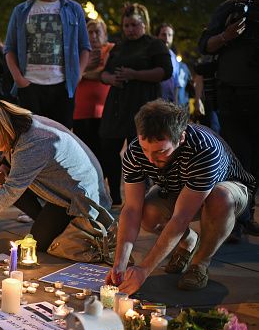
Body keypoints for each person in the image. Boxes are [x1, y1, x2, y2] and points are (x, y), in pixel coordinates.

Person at [107, 99, 256, 293]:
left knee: (219, 198)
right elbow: (132, 208)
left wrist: (144, 270)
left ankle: (199, 264)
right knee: (148, 212)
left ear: (181, 138)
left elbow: (181, 217)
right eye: (146, 150)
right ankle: (188, 241)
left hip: (230, 188)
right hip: (179, 187)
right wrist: (120, 263)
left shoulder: (204, 149)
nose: (151, 159)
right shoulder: (136, 152)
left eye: (161, 151)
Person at [0, 100, 113, 251]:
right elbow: (14, 165)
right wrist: (4, 168)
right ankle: (46, 221)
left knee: (39, 243)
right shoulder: (20, 128)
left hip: (79, 199)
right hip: (62, 189)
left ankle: (70, 226)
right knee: (11, 190)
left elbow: (11, 191)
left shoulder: (32, 142)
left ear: (2, 126)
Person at [198, 0, 259, 236]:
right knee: (238, 159)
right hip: (232, 96)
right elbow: (205, 44)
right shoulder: (232, 9)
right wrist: (226, 35)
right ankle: (236, 219)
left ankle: (249, 217)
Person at [99, 3, 172, 207]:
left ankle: (147, 196)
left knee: (141, 151)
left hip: (142, 105)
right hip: (116, 105)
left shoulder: (154, 45)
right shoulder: (119, 47)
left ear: (144, 24)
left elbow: (165, 71)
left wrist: (135, 74)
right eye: (126, 26)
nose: (130, 30)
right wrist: (110, 79)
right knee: (108, 147)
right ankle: (115, 195)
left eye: (134, 25)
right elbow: (104, 73)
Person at [3, 0, 90, 128]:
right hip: (30, 86)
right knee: (30, 140)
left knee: (62, 141)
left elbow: (84, 46)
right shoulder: (21, 10)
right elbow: (9, 49)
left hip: (62, 87)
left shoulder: (74, 9)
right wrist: (18, 79)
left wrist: (78, 74)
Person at [73, 17, 114, 160]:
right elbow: (71, 76)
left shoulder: (110, 49)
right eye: (90, 32)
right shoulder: (80, 53)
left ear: (105, 34)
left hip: (104, 113)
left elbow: (106, 73)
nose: (93, 36)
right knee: (83, 155)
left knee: (104, 154)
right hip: (79, 113)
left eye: (97, 32)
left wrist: (83, 74)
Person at [156, 23, 192, 107]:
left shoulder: (174, 58)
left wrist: (175, 105)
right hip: (155, 102)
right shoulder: (151, 55)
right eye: (163, 34)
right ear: (157, 36)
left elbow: (176, 84)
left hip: (170, 103)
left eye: (170, 35)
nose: (167, 38)